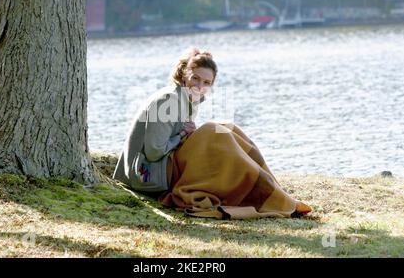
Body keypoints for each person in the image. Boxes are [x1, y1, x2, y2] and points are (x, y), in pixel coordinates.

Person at [113, 48, 312, 219]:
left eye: (207, 83)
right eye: (196, 79)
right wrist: (182, 135)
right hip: (147, 174)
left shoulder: (188, 100)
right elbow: (154, 152)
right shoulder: (169, 100)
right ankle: (273, 197)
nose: (200, 87)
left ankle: (274, 192)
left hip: (164, 164)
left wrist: (185, 135)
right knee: (213, 133)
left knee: (228, 128)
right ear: (184, 74)